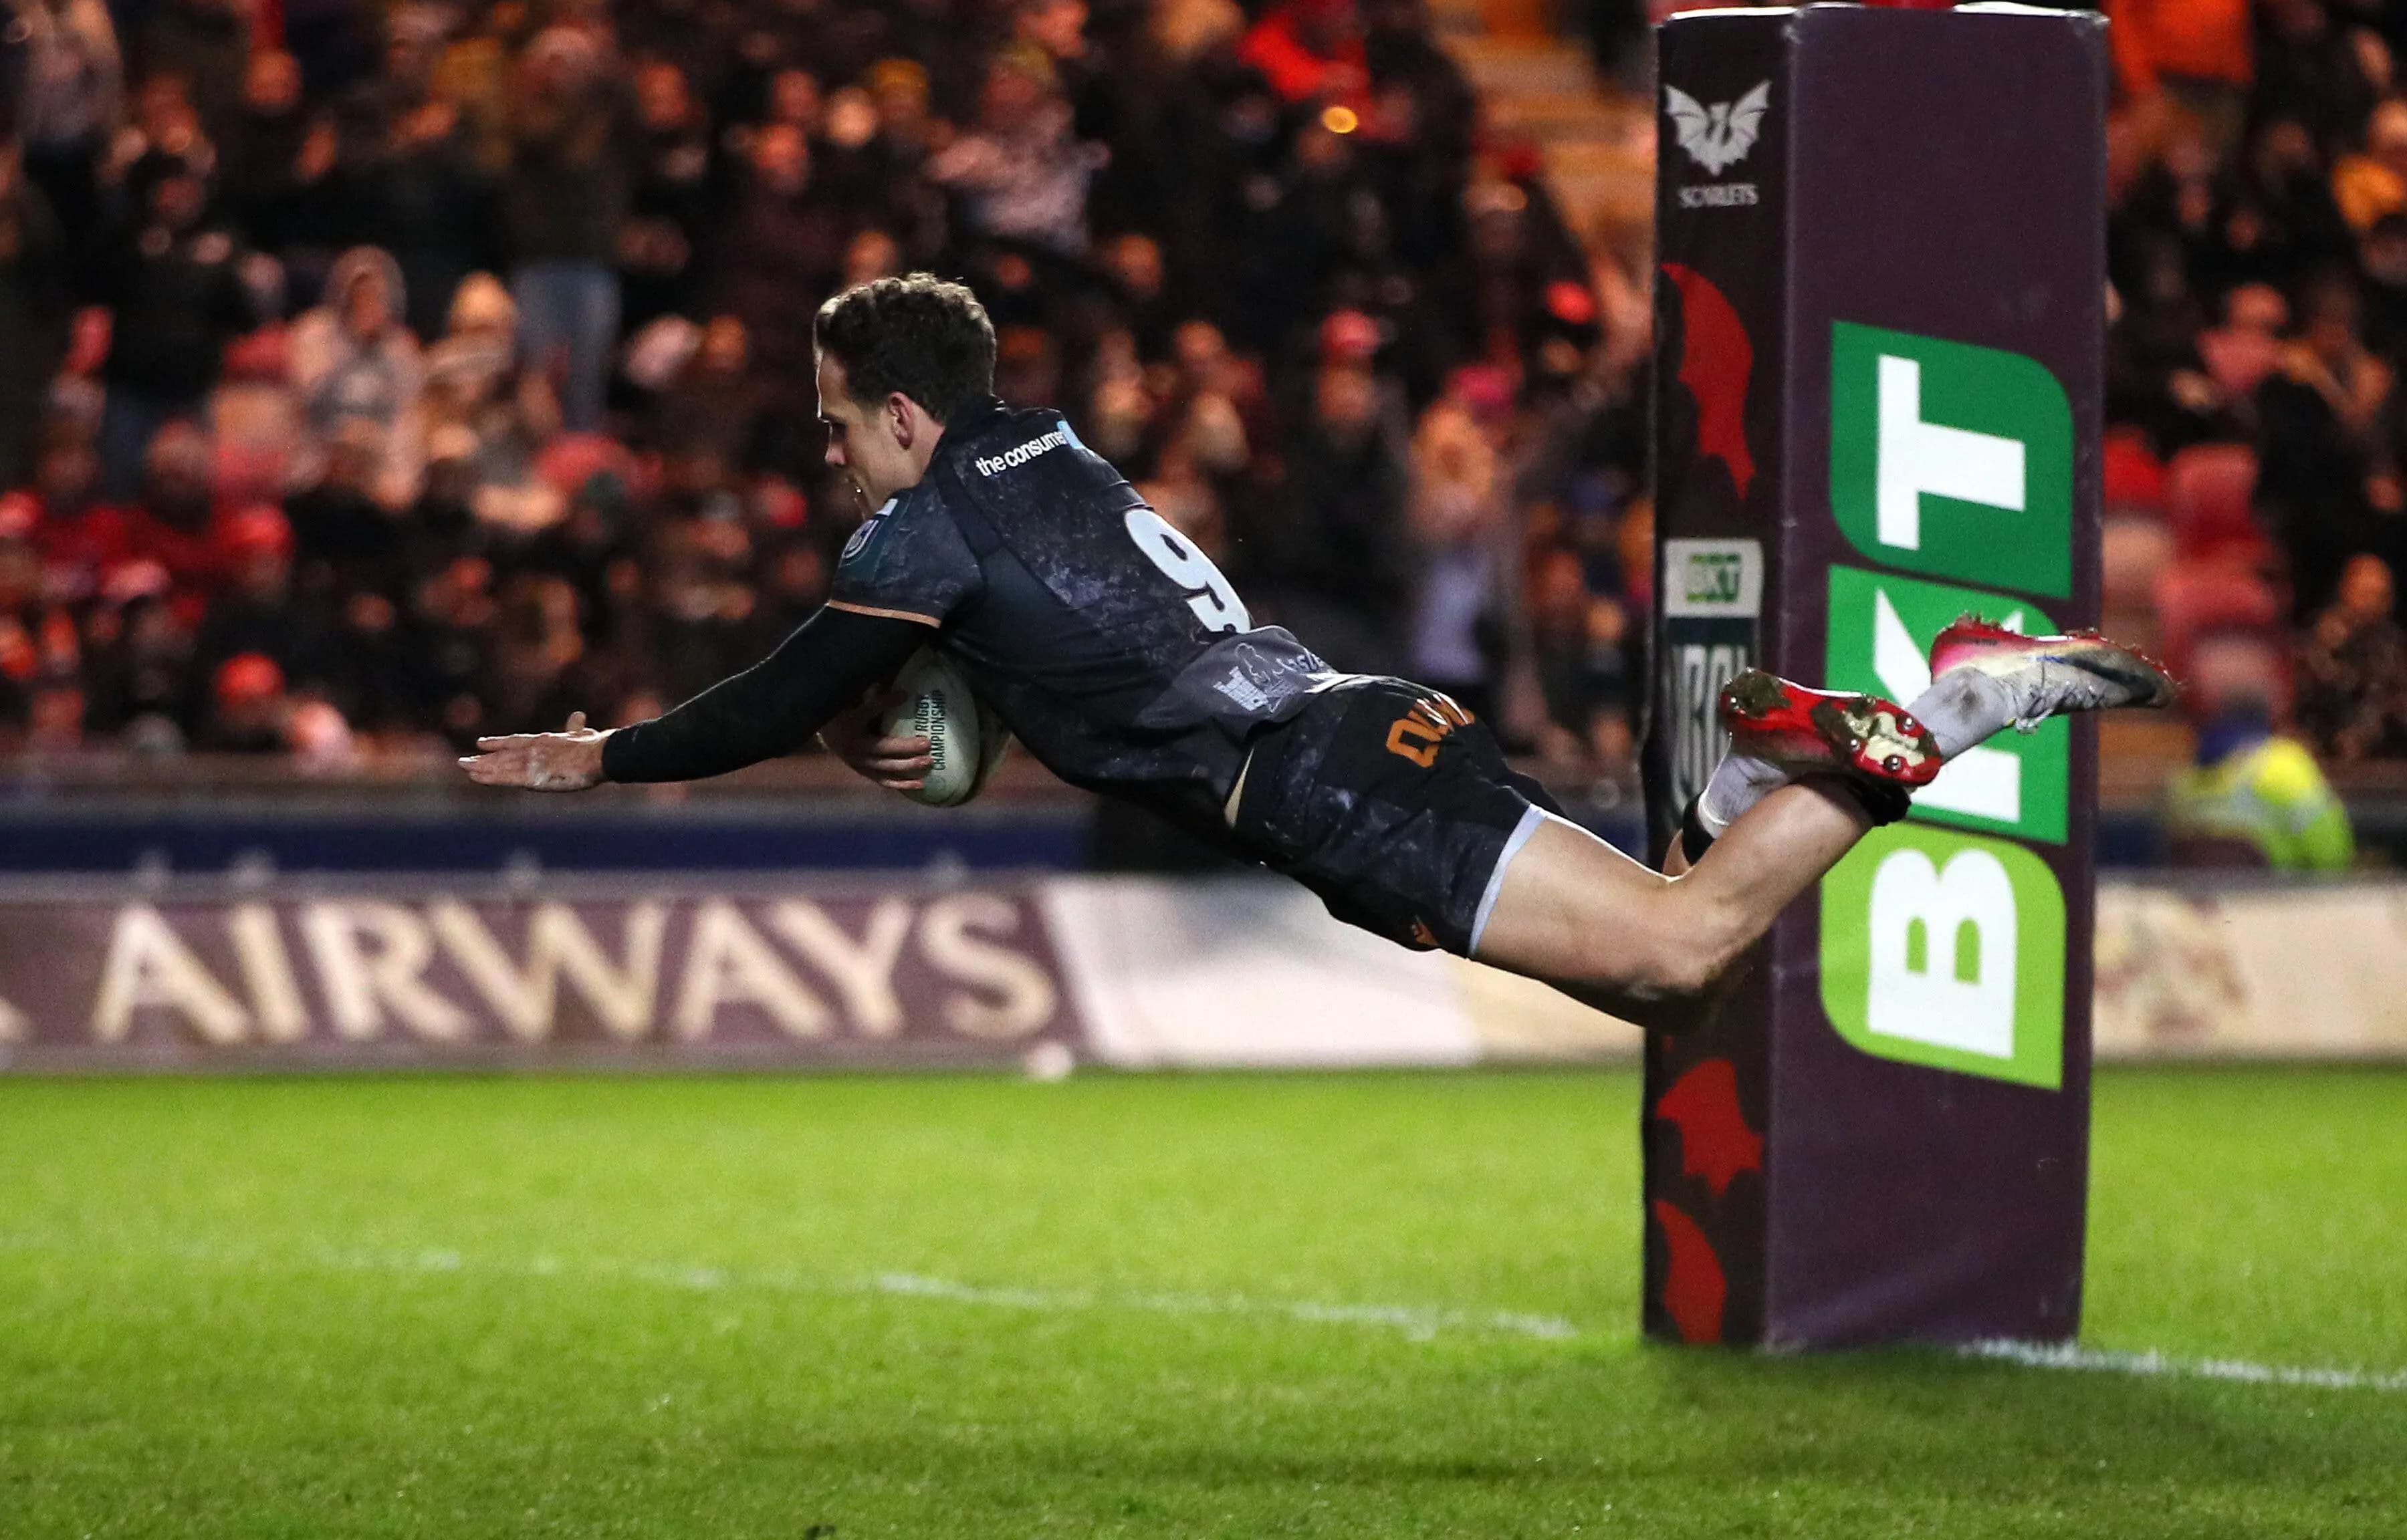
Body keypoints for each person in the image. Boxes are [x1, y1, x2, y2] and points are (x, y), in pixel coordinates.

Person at [461, 275, 2175, 1029]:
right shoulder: (1045, 453)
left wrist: (600, 754)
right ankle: (1753, 765)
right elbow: (1054, 644)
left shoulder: (924, 530)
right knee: (1678, 964)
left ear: (903, 411)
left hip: (1328, 786)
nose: (837, 453)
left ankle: (1957, 697)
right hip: (1352, 733)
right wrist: (925, 708)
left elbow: (781, 691)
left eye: (843, 422)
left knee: (1672, 957)